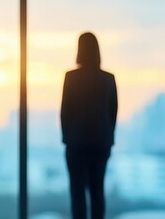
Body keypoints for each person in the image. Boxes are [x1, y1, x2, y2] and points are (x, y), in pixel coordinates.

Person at [60, 32, 118, 219]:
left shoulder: (71, 77)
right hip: (101, 142)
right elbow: (113, 112)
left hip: (76, 142)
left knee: (77, 194)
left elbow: (65, 111)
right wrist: (108, 137)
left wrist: (66, 137)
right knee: (97, 192)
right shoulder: (108, 78)